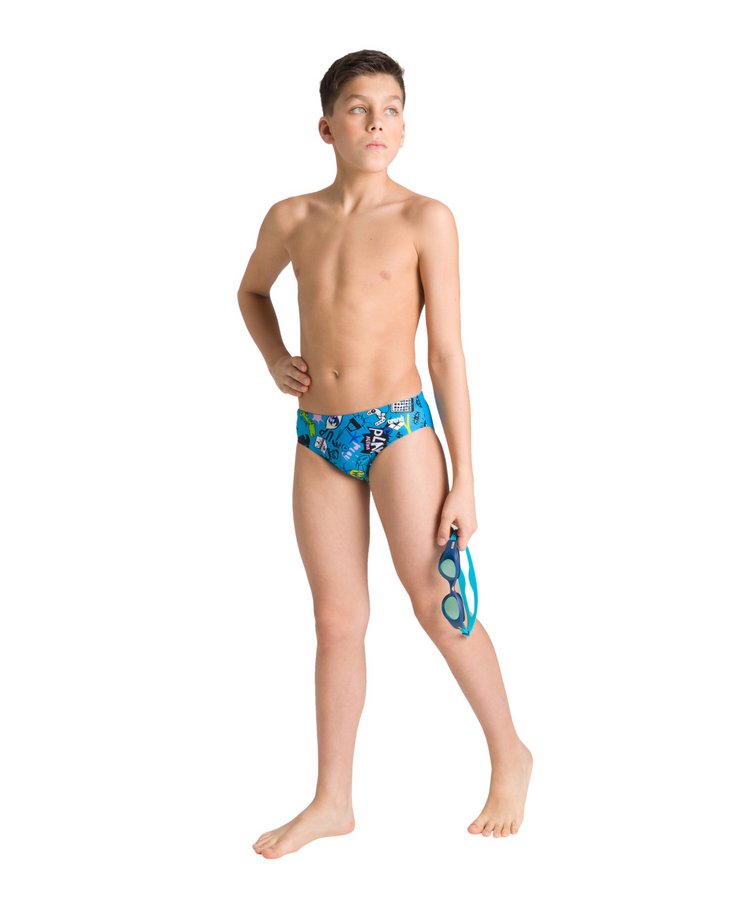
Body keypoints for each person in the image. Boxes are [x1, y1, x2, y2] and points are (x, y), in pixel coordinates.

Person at [237, 49, 533, 860]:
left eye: (392, 108)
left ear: (405, 125)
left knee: (436, 600)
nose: (377, 121)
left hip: (398, 428)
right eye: (359, 108)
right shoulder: (291, 218)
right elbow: (251, 291)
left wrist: (465, 479)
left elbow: (447, 354)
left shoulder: (424, 218)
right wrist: (274, 357)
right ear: (326, 126)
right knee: (337, 619)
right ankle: (333, 798)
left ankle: (510, 752)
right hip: (319, 436)